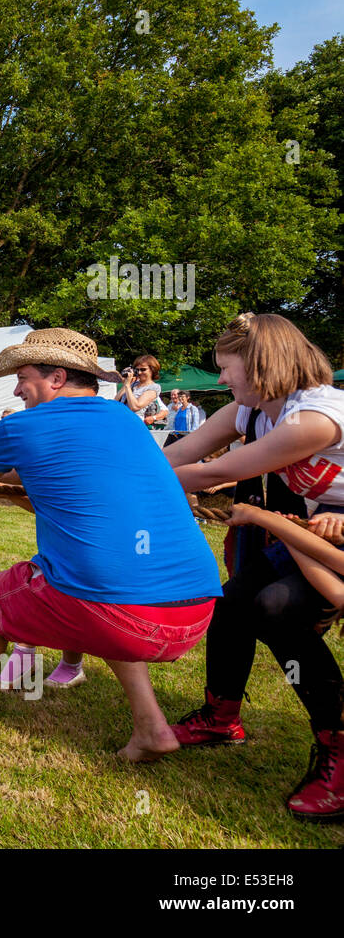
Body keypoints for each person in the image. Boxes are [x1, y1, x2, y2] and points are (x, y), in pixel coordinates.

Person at [0, 328, 221, 762]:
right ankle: (152, 728)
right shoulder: (125, 419)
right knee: (112, 592)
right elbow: (47, 472)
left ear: (57, 377)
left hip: (124, 618)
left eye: (22, 376)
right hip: (194, 616)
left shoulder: (20, 425)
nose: (15, 388)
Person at [165, 313, 344, 820]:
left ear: (262, 362)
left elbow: (218, 470)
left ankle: (338, 745)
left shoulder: (317, 415)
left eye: (227, 368)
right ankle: (221, 718)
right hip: (319, 527)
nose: (221, 380)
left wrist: (131, 487)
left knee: (276, 608)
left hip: (331, 533)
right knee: (233, 602)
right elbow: (183, 453)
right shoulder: (253, 410)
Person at [117, 355, 164, 424]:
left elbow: (135, 407)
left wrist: (127, 386)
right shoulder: (132, 384)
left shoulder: (154, 387)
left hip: (135, 423)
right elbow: (115, 401)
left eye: (143, 369)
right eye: (137, 370)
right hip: (121, 420)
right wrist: (126, 382)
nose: (139, 373)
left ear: (152, 370)